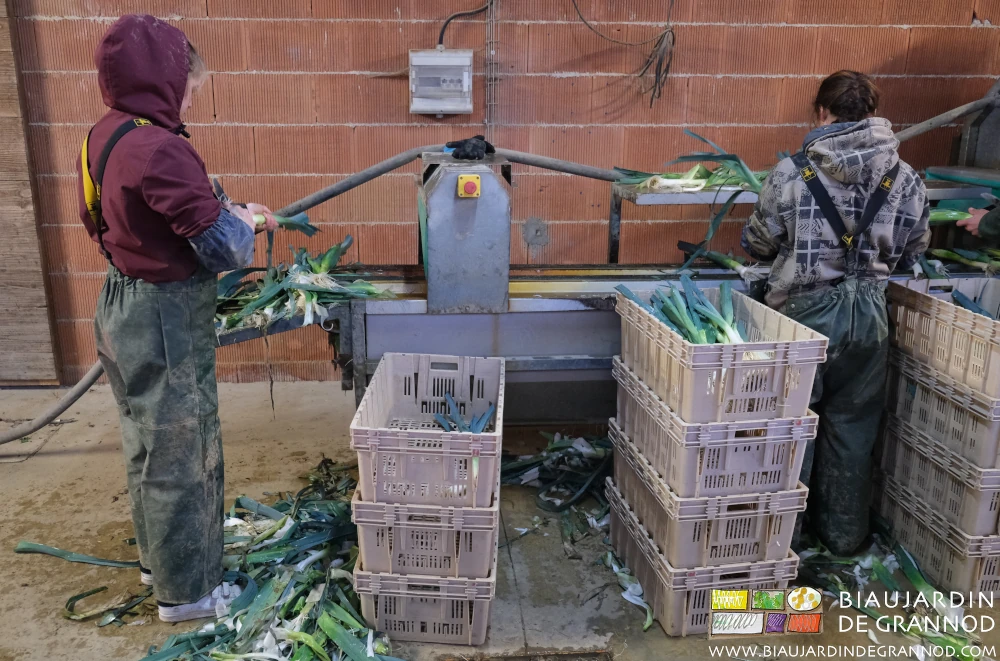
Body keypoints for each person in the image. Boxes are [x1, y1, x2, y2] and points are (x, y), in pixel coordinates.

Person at [76, 14, 279, 622]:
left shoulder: (105, 134)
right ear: (166, 79)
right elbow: (223, 250)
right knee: (184, 457)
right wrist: (249, 222)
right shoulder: (161, 146)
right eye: (188, 84)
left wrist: (224, 209)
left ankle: (159, 561)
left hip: (120, 302)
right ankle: (190, 595)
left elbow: (105, 218)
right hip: (163, 318)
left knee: (147, 447)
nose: (189, 97)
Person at [741, 70, 931, 555]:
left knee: (793, 427)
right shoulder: (905, 177)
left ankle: (785, 545)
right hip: (869, 317)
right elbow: (914, 250)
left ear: (821, 112)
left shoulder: (792, 172)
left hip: (803, 318)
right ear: (872, 113)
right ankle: (844, 539)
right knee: (853, 427)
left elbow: (758, 244)